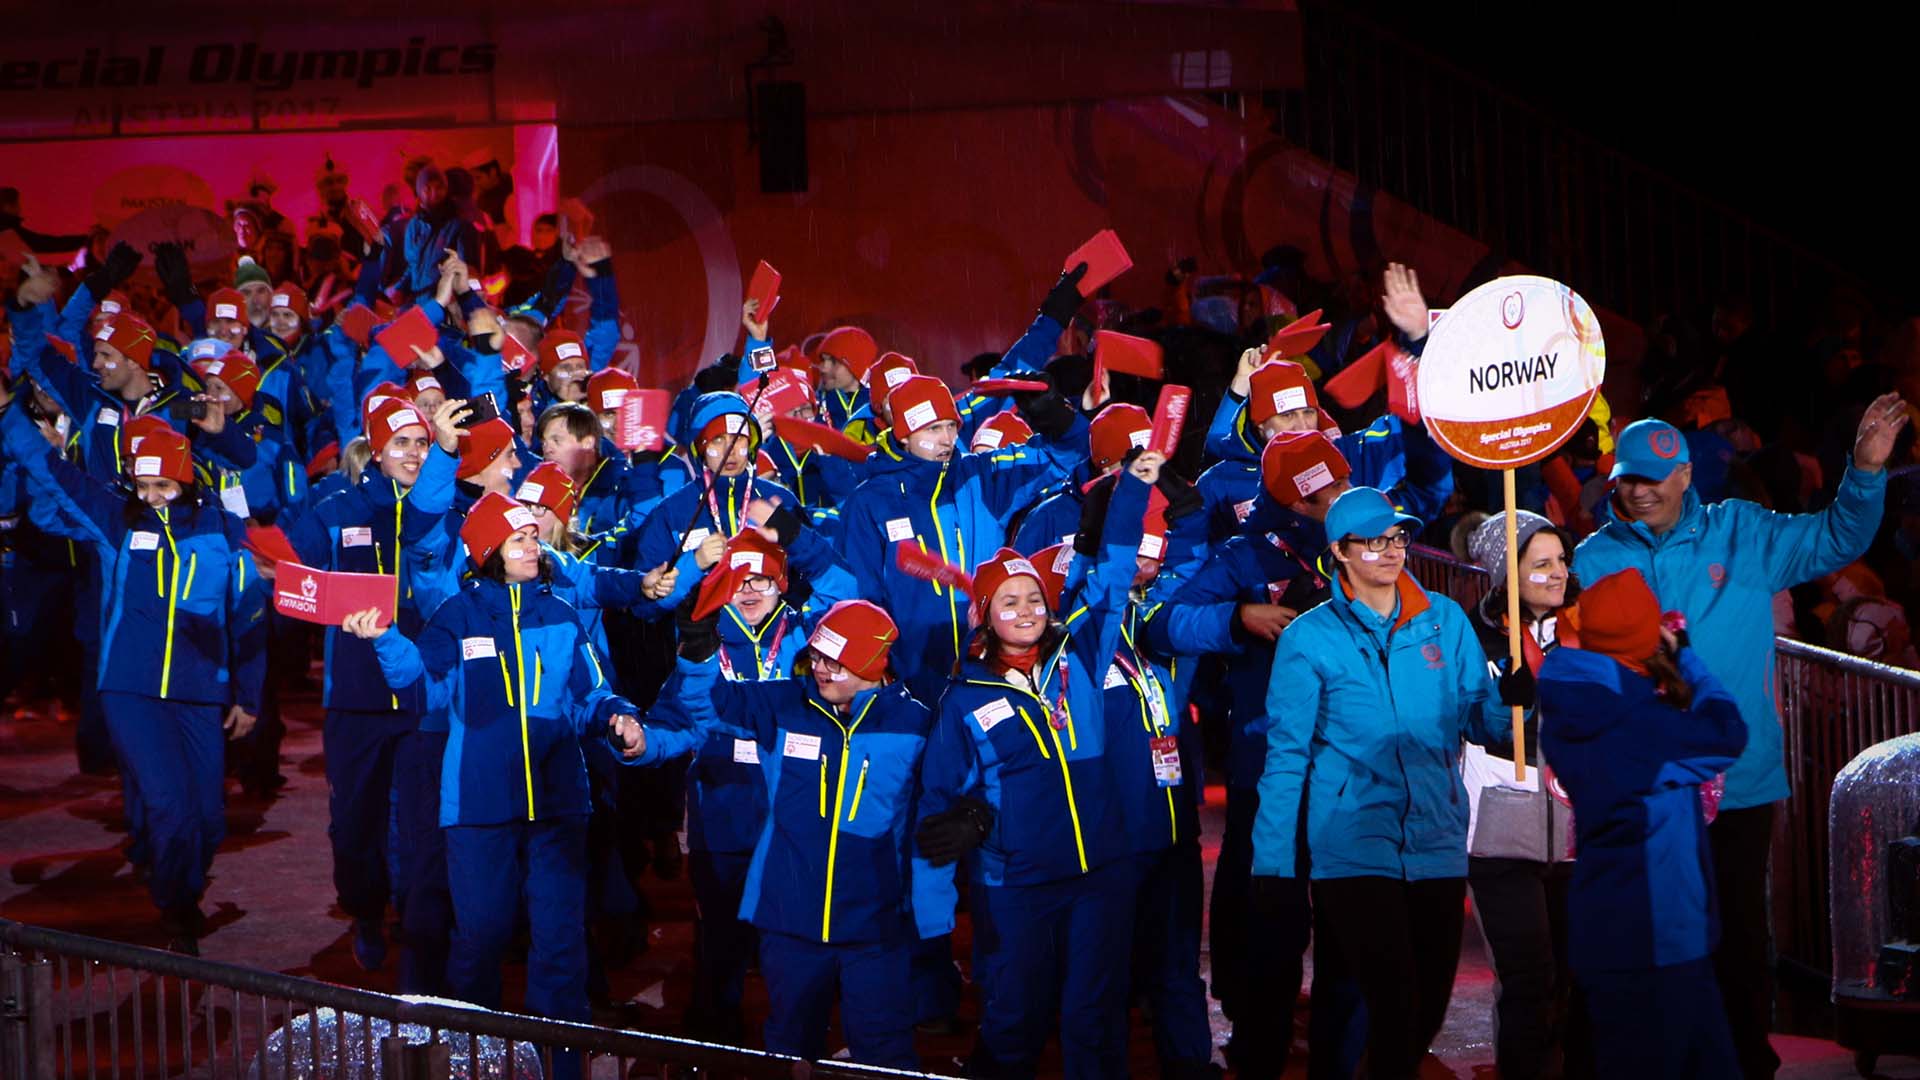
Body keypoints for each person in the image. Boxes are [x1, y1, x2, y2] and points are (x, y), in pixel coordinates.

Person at [1572, 398, 1909, 1079]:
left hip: (1737, 778)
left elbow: (1836, 538)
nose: (1638, 490)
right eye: (1627, 479)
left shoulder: (1743, 534)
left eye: (1652, 479)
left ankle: (1745, 1063)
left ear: (1685, 478)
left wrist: (1866, 471)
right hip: (1644, 786)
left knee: (1736, 937)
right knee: (1649, 935)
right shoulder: (1593, 556)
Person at [345, 492, 644, 1080]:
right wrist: (383, 638)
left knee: (560, 946)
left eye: (534, 537)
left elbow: (590, 694)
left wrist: (619, 716)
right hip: (479, 806)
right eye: (520, 539)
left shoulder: (560, 612)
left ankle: (563, 1069)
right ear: (488, 552)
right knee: (480, 938)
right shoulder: (457, 615)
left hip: (558, 804)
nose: (534, 547)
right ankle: (475, 1063)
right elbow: (422, 683)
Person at [1251, 486, 1532, 1079]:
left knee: (1425, 1008)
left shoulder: (1445, 621)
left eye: (1397, 538)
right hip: (1352, 846)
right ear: (1341, 552)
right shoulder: (1310, 637)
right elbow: (1285, 759)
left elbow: (1481, 722)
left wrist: (1517, 705)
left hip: (1435, 840)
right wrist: (1273, 868)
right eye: (1374, 541)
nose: (1390, 550)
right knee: (1393, 1001)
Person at [912, 450, 1166, 1079]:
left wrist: (1131, 494)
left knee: (1095, 1013)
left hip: (1100, 872)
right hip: (1018, 884)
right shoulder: (964, 699)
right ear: (985, 618)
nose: (1025, 610)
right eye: (1009, 602)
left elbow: (1110, 575)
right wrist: (959, 836)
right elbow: (938, 799)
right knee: (1016, 1014)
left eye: (1033, 598)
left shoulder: (1080, 655)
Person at [0, 396, 265, 955]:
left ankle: (182, 885)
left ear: (187, 484)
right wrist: (8, 417)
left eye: (163, 488)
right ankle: (178, 907)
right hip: (131, 690)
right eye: (143, 488)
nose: (151, 499)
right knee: (169, 807)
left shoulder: (220, 528)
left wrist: (248, 691)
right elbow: (56, 473)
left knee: (209, 820)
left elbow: (246, 614)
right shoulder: (117, 522)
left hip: (198, 689)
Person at [642, 597, 929, 1069]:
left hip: (875, 925)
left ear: (873, 663)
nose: (821, 670)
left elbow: (936, 807)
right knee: (791, 1047)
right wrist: (697, 648)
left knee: (884, 1053)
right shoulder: (784, 703)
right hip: (789, 918)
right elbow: (707, 704)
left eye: (836, 662)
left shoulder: (916, 724)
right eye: (816, 657)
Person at [1538, 568, 1748, 1079]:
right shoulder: (1638, 723)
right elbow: (1727, 733)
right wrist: (1687, 659)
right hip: (1656, 936)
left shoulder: (1576, 694)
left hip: (1616, 927)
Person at [1463, 510, 1591, 1079]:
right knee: (1528, 979)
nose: (1558, 573)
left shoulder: (1591, 627)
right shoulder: (1470, 634)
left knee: (1580, 976)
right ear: (1504, 574)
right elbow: (1462, 718)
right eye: (1540, 564)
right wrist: (1499, 706)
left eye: (1561, 560)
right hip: (1500, 831)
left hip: (1579, 826)